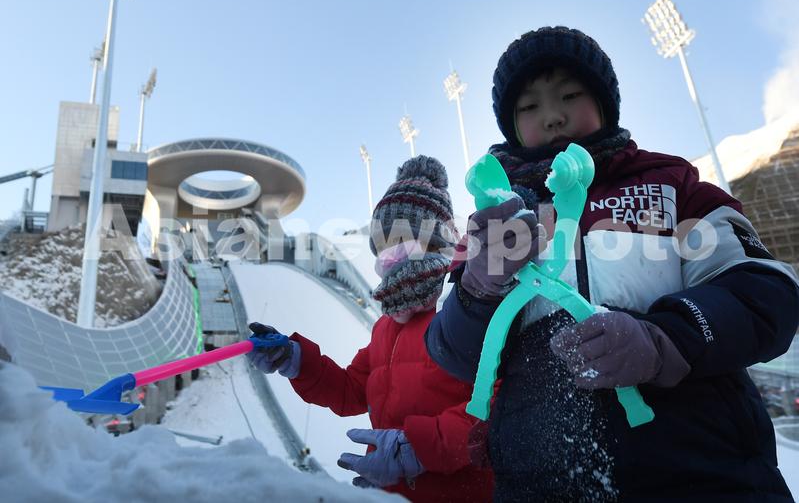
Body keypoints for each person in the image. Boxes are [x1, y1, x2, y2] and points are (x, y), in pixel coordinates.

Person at [425, 26, 799, 502]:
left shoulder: (672, 186)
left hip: (707, 473)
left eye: (569, 95)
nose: (553, 116)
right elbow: (451, 353)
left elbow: (764, 294)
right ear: (511, 125)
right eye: (530, 107)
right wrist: (478, 289)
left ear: (603, 103)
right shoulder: (496, 218)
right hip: (539, 483)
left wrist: (665, 339)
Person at [247, 155, 494, 502]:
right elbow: (352, 391)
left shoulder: (464, 307)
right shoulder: (386, 327)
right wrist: (297, 360)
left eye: (402, 239)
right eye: (382, 244)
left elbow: (497, 405)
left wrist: (417, 449)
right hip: (390, 494)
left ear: (436, 240)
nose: (390, 256)